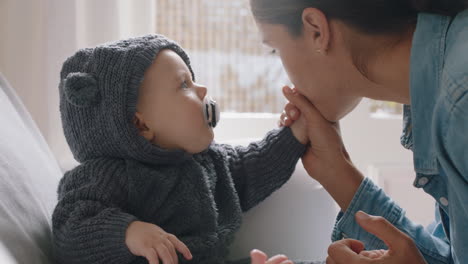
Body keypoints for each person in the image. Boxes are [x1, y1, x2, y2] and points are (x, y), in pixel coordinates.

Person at [52, 34, 321, 264]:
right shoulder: (106, 176)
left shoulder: (209, 161)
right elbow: (71, 226)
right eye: (184, 85)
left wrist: (294, 134)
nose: (202, 89)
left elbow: (254, 168)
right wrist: (128, 233)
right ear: (140, 124)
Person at [248, 0, 468, 263]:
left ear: (316, 29)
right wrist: (338, 172)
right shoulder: (443, 88)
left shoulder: (460, 105)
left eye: (275, 50)